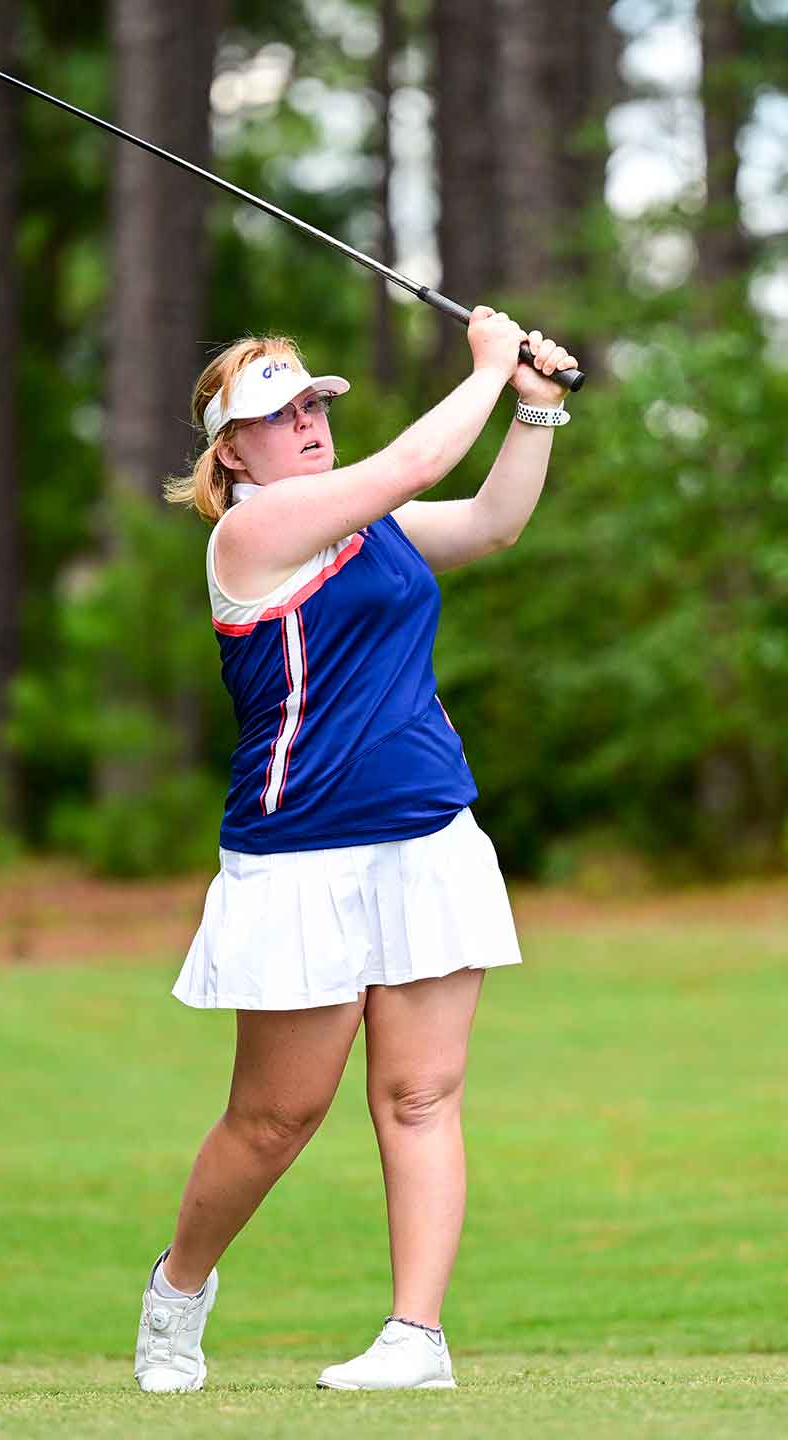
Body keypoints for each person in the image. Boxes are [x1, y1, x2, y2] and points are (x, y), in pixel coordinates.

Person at [134, 308, 580, 1393]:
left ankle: (414, 1337)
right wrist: (483, 367)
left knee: (421, 1096)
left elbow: (486, 524)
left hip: (425, 837)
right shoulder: (247, 536)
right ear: (228, 452)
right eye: (274, 417)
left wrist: (534, 406)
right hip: (299, 857)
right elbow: (417, 458)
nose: (305, 423)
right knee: (276, 1116)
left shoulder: (370, 523)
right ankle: (179, 1290)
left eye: (311, 404)